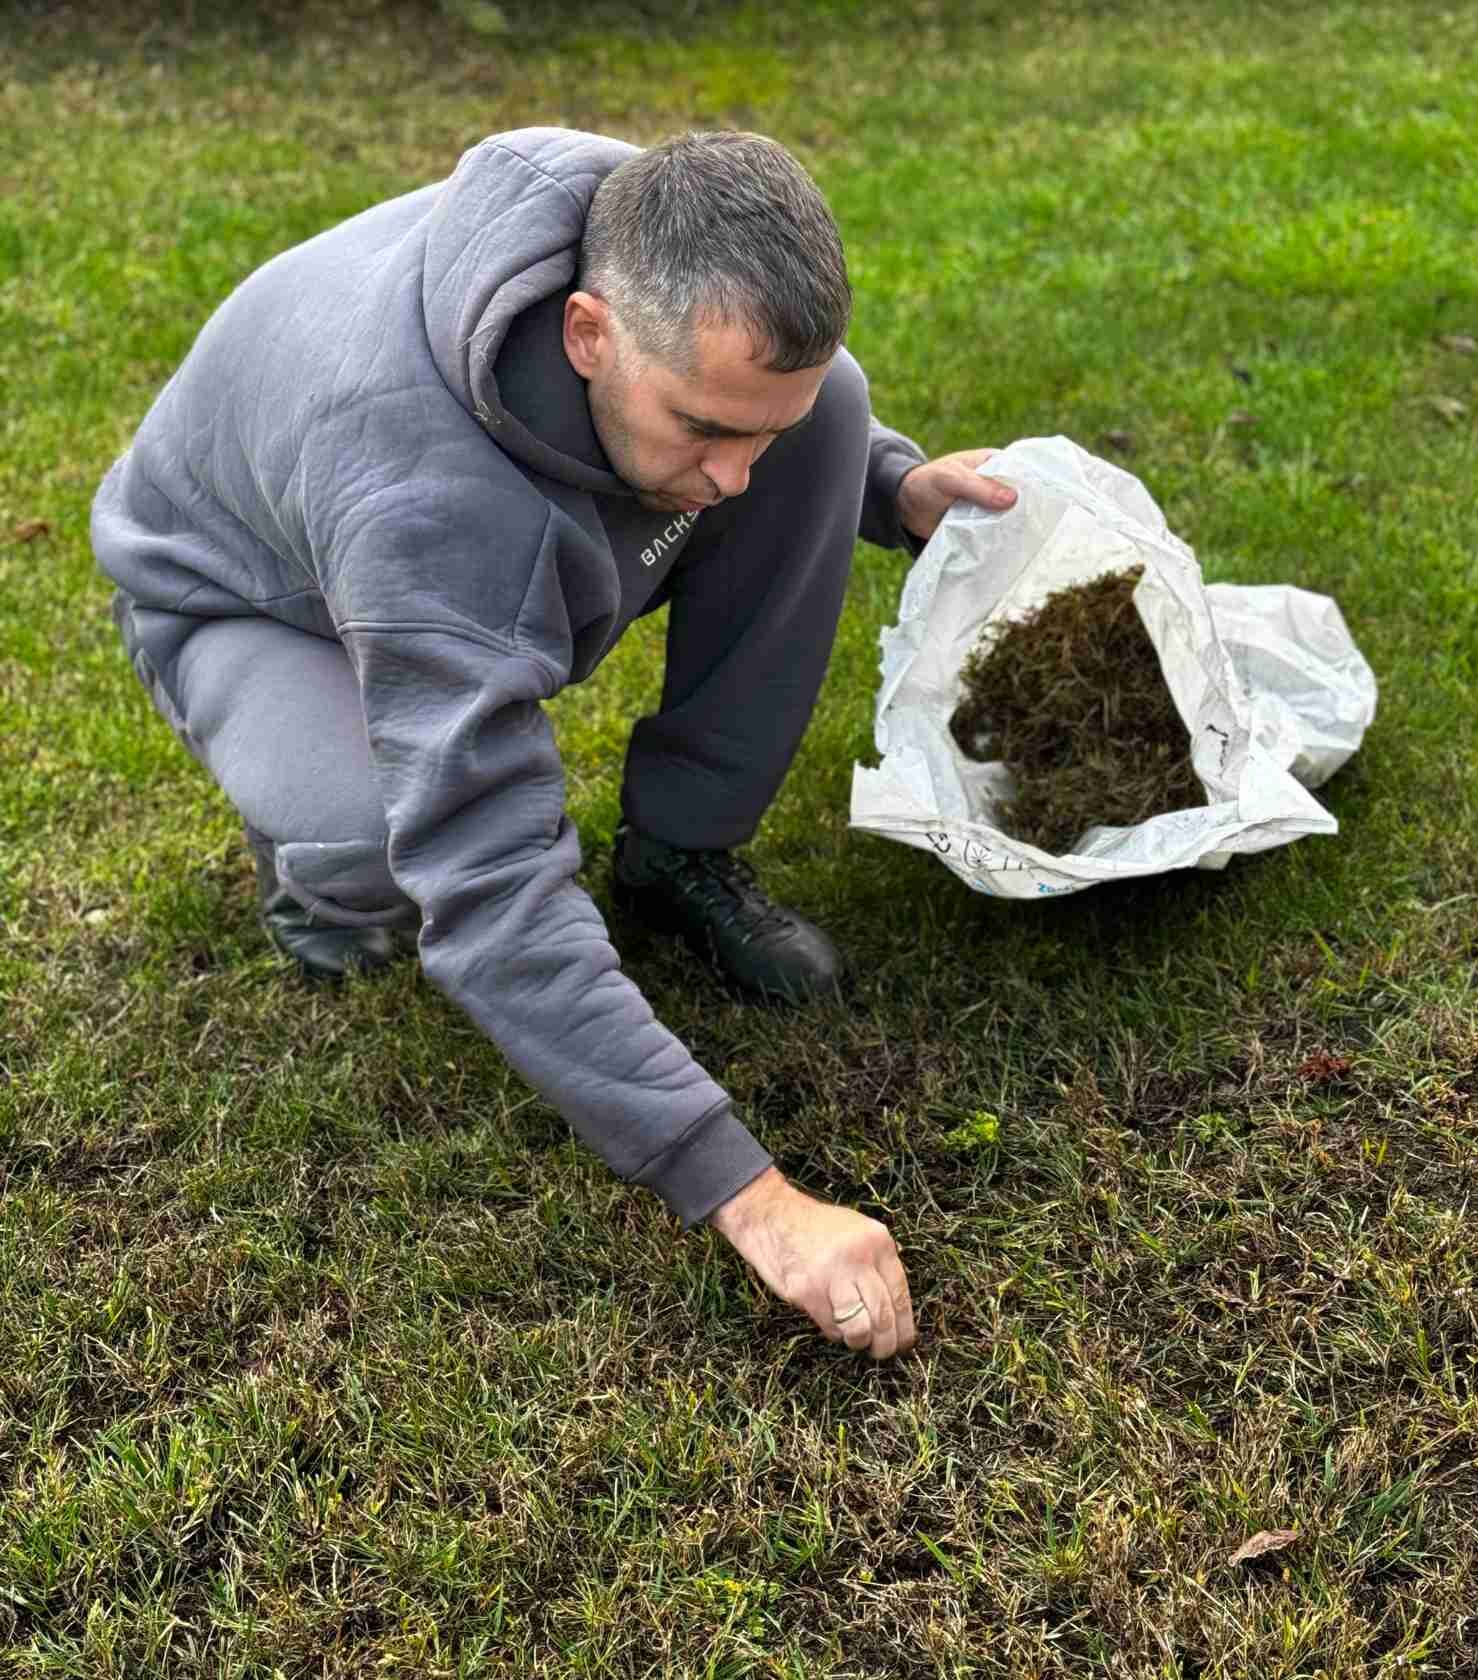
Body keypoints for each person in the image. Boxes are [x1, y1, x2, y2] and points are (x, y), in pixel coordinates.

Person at [91, 127, 1017, 1361]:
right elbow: (493, 885)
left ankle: (680, 854)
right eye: (702, 427)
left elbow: (764, 405)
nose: (734, 478)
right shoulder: (426, 501)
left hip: (458, 520)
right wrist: (754, 1199)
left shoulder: (652, 213)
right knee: (390, 837)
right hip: (248, 601)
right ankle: (318, 883)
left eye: (752, 429)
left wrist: (886, 483)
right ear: (587, 333)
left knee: (829, 414)